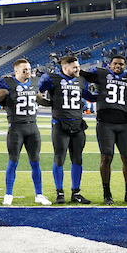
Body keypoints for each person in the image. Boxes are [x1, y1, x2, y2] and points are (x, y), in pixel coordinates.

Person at [80, 55, 127, 205]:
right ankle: (107, 194)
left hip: (124, 123)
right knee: (106, 157)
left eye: (121, 64)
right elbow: (82, 75)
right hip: (105, 123)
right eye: (115, 63)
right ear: (109, 65)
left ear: (125, 65)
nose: (118, 66)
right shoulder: (101, 74)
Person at [0, 58, 51, 205]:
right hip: (16, 128)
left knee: (35, 162)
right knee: (13, 161)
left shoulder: (35, 82)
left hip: (33, 127)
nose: (28, 72)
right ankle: (8, 194)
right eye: (24, 70)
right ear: (16, 71)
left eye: (29, 69)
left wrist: (55, 104)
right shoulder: (7, 83)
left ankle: (39, 194)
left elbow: (40, 99)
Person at [37, 55, 92, 204]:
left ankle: (76, 193)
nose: (78, 69)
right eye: (75, 67)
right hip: (60, 124)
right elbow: (37, 93)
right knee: (59, 158)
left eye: (78, 66)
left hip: (78, 124)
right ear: (65, 68)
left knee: (77, 159)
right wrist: (49, 103)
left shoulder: (81, 80)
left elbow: (89, 96)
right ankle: (59, 192)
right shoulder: (52, 79)